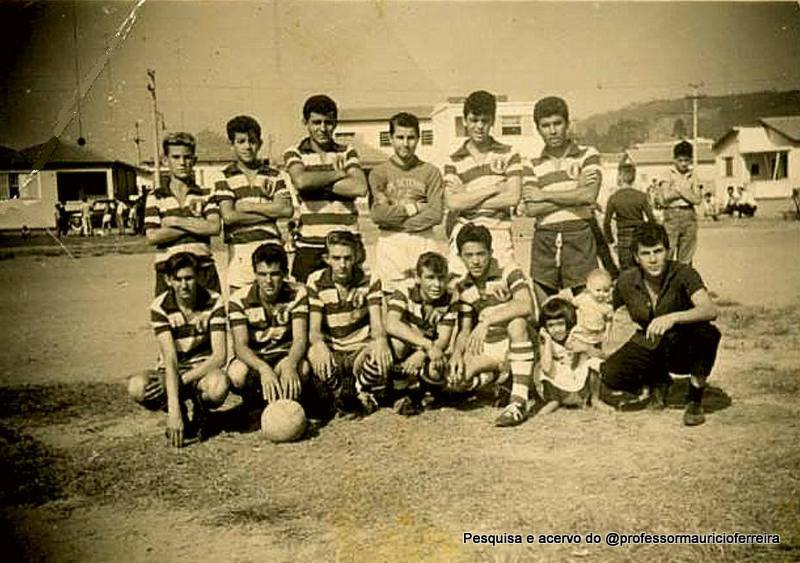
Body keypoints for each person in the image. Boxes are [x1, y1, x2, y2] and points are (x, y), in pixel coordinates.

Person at [599, 223, 720, 426]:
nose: (653, 259)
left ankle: (694, 398)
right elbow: (604, 305)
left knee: (707, 333)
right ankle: (658, 382)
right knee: (610, 374)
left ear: (668, 251)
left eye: (658, 251)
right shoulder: (626, 281)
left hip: (682, 345)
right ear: (636, 257)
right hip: (650, 342)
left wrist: (672, 318)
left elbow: (709, 310)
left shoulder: (683, 273)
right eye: (646, 254)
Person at [127, 253, 230, 448]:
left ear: (198, 277)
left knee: (219, 386)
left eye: (189, 278)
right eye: (178, 279)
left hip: (203, 370)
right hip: (171, 369)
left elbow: (219, 357)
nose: (184, 285)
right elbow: (170, 359)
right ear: (168, 280)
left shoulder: (214, 300)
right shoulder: (160, 307)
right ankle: (177, 409)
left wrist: (180, 382)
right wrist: (174, 411)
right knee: (137, 386)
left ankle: (202, 411)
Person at [449, 224, 536, 427]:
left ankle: (518, 402)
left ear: (490, 252)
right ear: (460, 256)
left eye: (481, 254)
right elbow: (464, 329)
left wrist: (487, 321)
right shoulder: (463, 285)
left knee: (517, 322)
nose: (476, 261)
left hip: (517, 340)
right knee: (456, 380)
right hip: (490, 346)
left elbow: (526, 305)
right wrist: (456, 353)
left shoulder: (508, 270)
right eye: (469, 255)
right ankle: (500, 376)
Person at [522, 96, 603, 305]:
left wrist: (545, 194)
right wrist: (574, 191)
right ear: (538, 129)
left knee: (588, 309)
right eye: (545, 125)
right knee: (548, 312)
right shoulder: (531, 164)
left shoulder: (588, 154)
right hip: (545, 237)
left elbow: (588, 196)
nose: (552, 130)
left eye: (557, 123)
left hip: (579, 234)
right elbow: (531, 208)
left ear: (568, 124)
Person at [306, 231, 393, 417]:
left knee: (381, 351)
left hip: (359, 349)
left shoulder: (369, 278)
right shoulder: (315, 280)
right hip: (334, 350)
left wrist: (380, 341)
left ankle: (361, 392)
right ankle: (339, 395)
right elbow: (314, 329)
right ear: (327, 258)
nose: (342, 265)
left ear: (356, 257)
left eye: (347, 258)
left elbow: (377, 325)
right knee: (313, 352)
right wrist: (319, 344)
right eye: (336, 258)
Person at [283, 95, 368, 282]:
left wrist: (316, 183)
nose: (322, 128)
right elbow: (302, 182)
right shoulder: (294, 152)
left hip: (347, 243)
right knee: (306, 304)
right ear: (305, 122)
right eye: (316, 122)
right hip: (310, 245)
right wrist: (338, 173)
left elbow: (360, 187)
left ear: (335, 123)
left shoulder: (347, 151)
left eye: (328, 122)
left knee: (349, 304)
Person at [227, 243, 314, 413]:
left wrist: (290, 364)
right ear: (255, 274)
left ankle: (291, 402)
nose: (268, 281)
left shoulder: (298, 293)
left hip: (283, 354)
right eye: (262, 274)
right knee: (237, 373)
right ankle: (254, 405)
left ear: (284, 274)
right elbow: (240, 346)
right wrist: (263, 368)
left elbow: (300, 338)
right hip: (256, 357)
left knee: (302, 369)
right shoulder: (238, 299)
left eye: (274, 274)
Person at [442, 90, 523, 275]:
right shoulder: (453, 159)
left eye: (484, 121)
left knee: (502, 290)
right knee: (458, 290)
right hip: (464, 233)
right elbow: (452, 203)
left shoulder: (509, 154)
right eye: (474, 120)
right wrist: (494, 188)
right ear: (465, 120)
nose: (479, 126)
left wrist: (466, 196)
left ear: (492, 121)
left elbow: (513, 197)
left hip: (498, 232)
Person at [214, 116, 294, 292]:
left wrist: (249, 207)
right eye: (241, 141)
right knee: (241, 304)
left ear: (260, 142)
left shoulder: (273, 174)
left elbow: (286, 210)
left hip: (271, 246)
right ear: (232, 144)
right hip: (240, 249)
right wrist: (270, 211)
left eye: (252, 141)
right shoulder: (224, 176)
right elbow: (229, 217)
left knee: (275, 303)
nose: (247, 147)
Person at [369, 112, 445, 294]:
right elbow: (378, 215)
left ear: (418, 139)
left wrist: (398, 221)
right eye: (400, 137)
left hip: (423, 238)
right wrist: (415, 208)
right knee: (392, 293)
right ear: (390, 138)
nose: (405, 143)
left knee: (426, 293)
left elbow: (436, 213)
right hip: (391, 241)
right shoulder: (379, 173)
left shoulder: (430, 172)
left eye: (411, 138)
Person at [144, 132, 222, 296]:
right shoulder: (155, 196)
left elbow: (214, 227)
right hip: (168, 272)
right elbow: (153, 236)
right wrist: (197, 223)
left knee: (210, 318)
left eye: (187, 157)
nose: (182, 163)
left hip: (203, 270)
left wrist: (175, 221)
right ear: (165, 160)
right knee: (171, 319)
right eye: (176, 157)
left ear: (193, 160)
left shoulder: (205, 193)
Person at [384, 252, 459, 415]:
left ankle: (426, 389)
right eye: (430, 278)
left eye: (441, 278)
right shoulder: (405, 290)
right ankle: (398, 390)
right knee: (397, 344)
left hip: (427, 350)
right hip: (409, 345)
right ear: (418, 278)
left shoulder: (450, 298)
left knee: (437, 366)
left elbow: (444, 339)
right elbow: (391, 323)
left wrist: (422, 353)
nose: (437, 284)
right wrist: (425, 345)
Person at [533, 296, 605, 415]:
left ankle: (595, 399)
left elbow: (602, 357)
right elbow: (546, 368)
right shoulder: (546, 341)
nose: (556, 330)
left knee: (594, 362)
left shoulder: (576, 336)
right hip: (556, 376)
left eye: (560, 324)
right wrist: (548, 343)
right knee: (543, 369)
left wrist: (586, 348)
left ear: (568, 321)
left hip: (574, 375)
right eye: (551, 325)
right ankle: (553, 400)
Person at [603, 159, 657, 271]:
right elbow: (651, 219)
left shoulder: (614, 198)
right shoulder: (641, 196)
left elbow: (606, 223)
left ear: (620, 177)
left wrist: (611, 241)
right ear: (634, 177)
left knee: (626, 271)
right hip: (640, 237)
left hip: (623, 239)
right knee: (642, 269)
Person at [656, 140, 702, 265]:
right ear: (674, 159)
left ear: (690, 160)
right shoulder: (668, 174)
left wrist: (679, 189)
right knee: (668, 251)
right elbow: (665, 196)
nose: (683, 164)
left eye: (686, 160)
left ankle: (683, 281)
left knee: (687, 253)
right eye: (680, 160)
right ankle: (667, 281)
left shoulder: (693, 175)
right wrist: (686, 191)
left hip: (689, 215)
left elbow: (697, 199)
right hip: (672, 215)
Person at [567, 268, 613, 357]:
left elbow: (608, 320)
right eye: (598, 290)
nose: (601, 294)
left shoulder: (607, 307)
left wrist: (607, 332)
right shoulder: (583, 298)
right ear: (589, 288)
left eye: (606, 291)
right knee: (579, 353)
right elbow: (571, 304)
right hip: (581, 333)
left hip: (597, 335)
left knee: (597, 354)